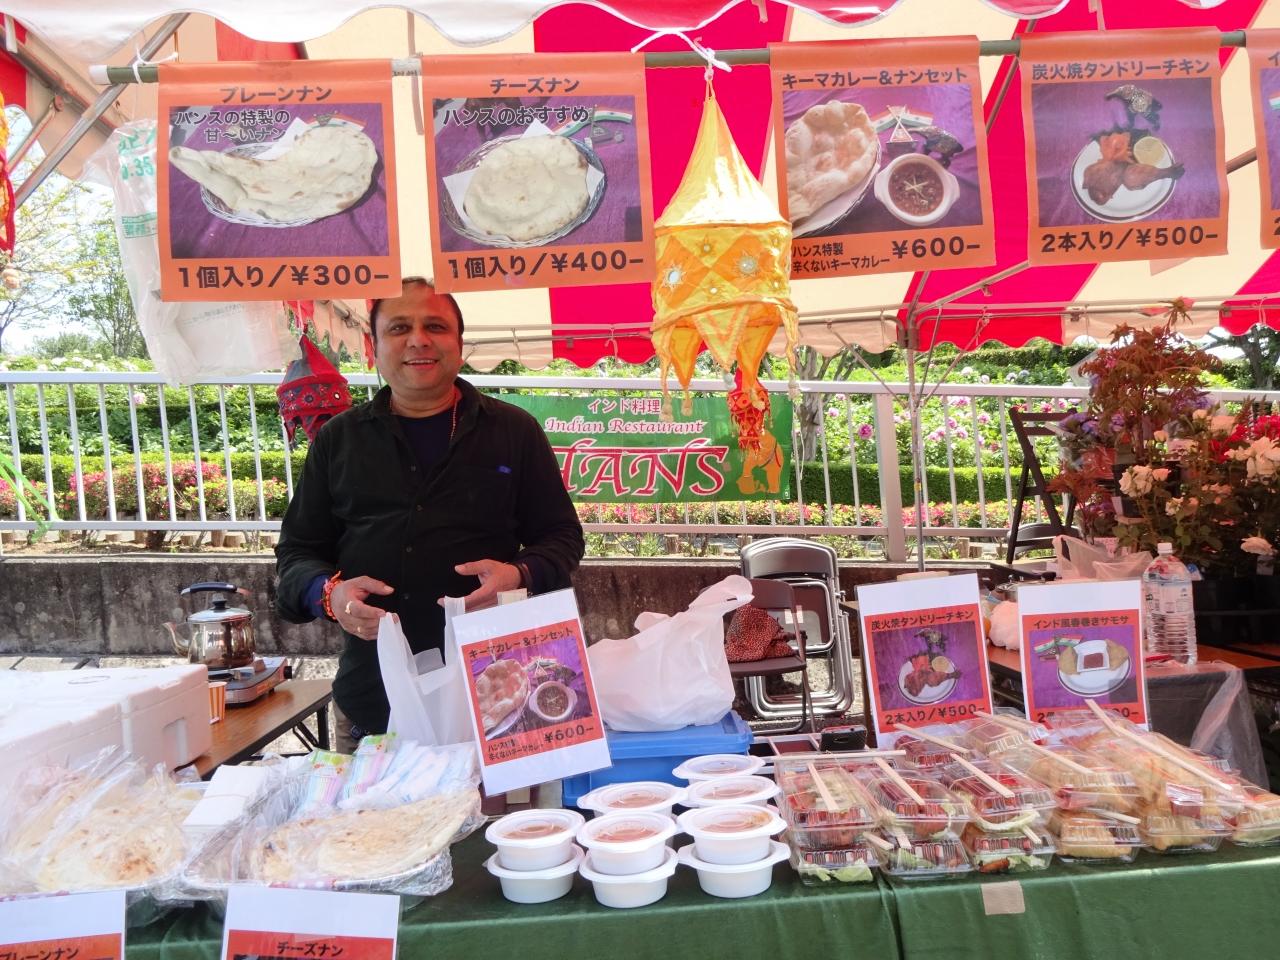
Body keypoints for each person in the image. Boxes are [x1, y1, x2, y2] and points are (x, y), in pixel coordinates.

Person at [275, 278, 584, 752]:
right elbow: (297, 553)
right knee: (374, 806)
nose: (418, 339)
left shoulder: (513, 431)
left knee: (497, 806)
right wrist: (330, 594)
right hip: (375, 699)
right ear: (375, 346)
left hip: (499, 699)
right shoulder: (339, 440)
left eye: (435, 326)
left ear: (459, 344)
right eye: (399, 327)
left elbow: (562, 536)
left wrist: (518, 574)